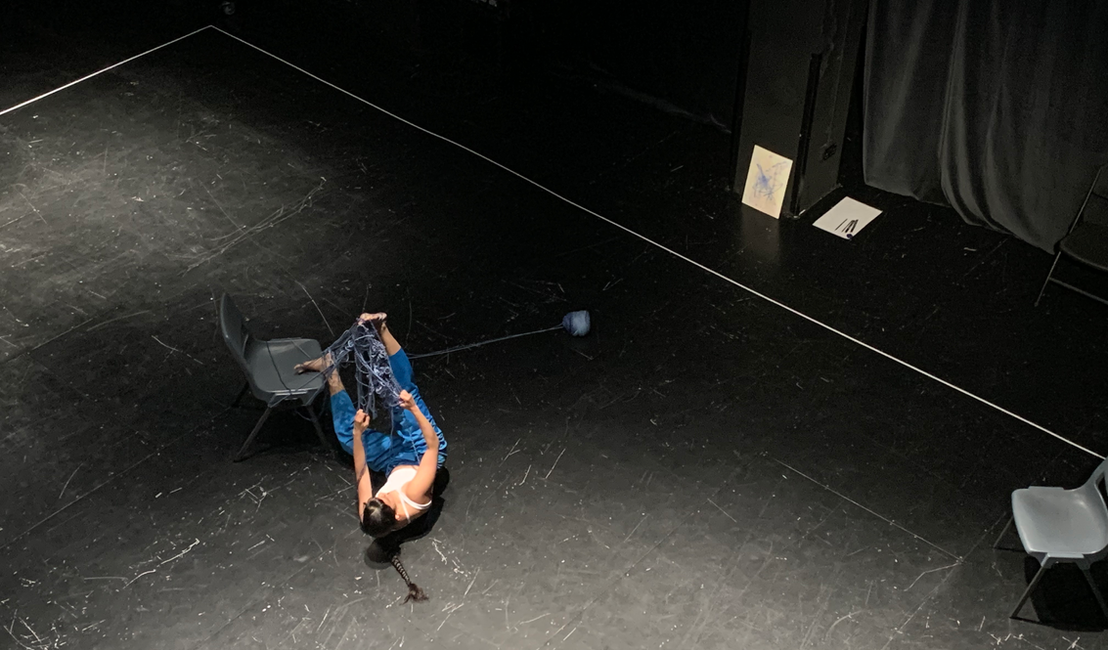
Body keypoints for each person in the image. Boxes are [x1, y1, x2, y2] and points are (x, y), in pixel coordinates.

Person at [296, 312, 447, 601]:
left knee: (345, 435)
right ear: (396, 513)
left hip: (394, 461)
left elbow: (362, 472)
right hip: (418, 453)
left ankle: (329, 369)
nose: (379, 494)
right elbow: (433, 446)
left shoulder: (372, 514)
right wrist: (413, 409)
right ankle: (382, 328)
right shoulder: (414, 495)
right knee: (402, 394)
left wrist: (357, 434)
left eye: (372, 501)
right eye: (383, 498)